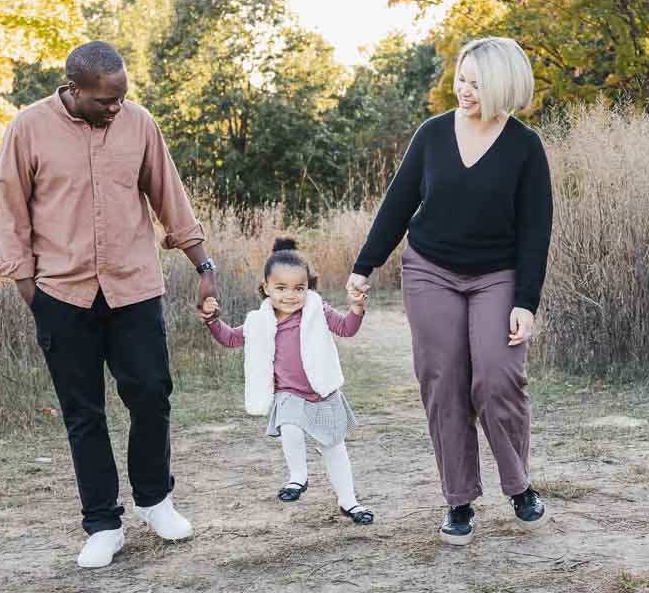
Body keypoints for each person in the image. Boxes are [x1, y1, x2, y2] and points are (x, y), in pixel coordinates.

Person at [0, 41, 219, 569]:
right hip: (62, 293)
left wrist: (203, 266)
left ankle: (155, 501)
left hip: (134, 287)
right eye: (105, 101)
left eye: (121, 98)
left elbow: (170, 196)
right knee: (83, 413)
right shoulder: (27, 127)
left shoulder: (139, 124)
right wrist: (32, 291)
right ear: (73, 89)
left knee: (151, 393)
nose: (115, 108)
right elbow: (9, 212)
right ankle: (102, 523)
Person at [347, 36, 552, 546]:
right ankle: (458, 500)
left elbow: (535, 232)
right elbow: (397, 204)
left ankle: (518, 484)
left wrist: (526, 301)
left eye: (477, 84)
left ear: (503, 85)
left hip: (497, 275)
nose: (464, 90)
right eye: (461, 79)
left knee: (496, 378)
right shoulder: (433, 134)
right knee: (442, 379)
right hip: (430, 269)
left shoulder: (525, 147)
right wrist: (364, 266)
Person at [199, 237, 375, 525]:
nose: (290, 295)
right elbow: (230, 338)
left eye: (298, 288)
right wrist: (211, 320)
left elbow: (346, 328)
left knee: (335, 448)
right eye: (281, 288)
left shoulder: (318, 311)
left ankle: (349, 501)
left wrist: (356, 309)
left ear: (309, 288)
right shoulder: (260, 322)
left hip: (323, 393)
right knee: (290, 425)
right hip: (289, 393)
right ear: (266, 288)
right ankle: (298, 477)